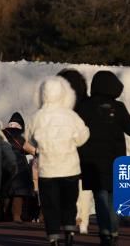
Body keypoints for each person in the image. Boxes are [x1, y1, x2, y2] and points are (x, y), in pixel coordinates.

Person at [75, 71, 130, 246]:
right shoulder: (118, 108)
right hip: (115, 161)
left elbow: (76, 129)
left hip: (91, 162)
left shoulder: (85, 106)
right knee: (113, 199)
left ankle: (105, 232)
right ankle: (114, 231)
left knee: (100, 197)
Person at [28, 76, 90, 246]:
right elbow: (83, 135)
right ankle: (70, 229)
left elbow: (31, 139)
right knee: (69, 202)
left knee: (50, 205)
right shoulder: (71, 115)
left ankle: (53, 236)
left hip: (47, 170)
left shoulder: (37, 117)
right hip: (70, 168)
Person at [58, 68, 93, 234]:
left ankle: (69, 217)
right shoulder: (88, 104)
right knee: (85, 189)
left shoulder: (60, 107)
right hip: (86, 150)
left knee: (66, 187)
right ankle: (84, 220)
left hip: (65, 153)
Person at [2, 112, 36, 223]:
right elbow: (32, 150)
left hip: (3, 165)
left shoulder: (2, 132)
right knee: (18, 192)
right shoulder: (21, 134)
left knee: (6, 191)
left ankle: (4, 216)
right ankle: (16, 216)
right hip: (19, 166)